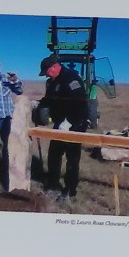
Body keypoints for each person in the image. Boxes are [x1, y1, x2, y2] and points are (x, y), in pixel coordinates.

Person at [37, 55, 90, 200]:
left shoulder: (71, 78)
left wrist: (68, 123)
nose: (46, 75)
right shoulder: (53, 82)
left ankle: (70, 190)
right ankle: (53, 184)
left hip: (75, 124)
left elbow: (81, 104)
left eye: (47, 72)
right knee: (54, 155)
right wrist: (38, 104)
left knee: (72, 159)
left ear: (54, 67)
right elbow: (49, 99)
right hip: (59, 124)